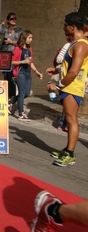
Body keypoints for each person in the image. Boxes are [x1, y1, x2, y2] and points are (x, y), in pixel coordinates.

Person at [46, 12, 88, 167]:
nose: (64, 28)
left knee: (71, 120)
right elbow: (68, 67)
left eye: (65, 25)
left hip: (72, 87)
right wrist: (56, 71)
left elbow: (74, 71)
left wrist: (58, 85)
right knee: (70, 120)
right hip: (69, 86)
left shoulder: (82, 45)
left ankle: (70, 154)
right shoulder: (75, 44)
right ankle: (67, 149)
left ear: (73, 27)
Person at [9, 30, 43, 121]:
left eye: (31, 38)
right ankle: (21, 113)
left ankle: (11, 101)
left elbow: (30, 62)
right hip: (20, 73)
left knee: (27, 93)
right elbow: (12, 61)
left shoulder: (29, 49)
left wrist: (37, 72)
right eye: (29, 38)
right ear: (24, 38)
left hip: (28, 72)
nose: (31, 40)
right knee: (21, 93)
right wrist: (22, 61)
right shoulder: (18, 49)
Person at [0, 12, 23, 113]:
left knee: (11, 76)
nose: (14, 20)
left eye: (15, 19)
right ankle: (6, 97)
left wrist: (11, 42)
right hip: (5, 55)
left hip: (14, 55)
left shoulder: (19, 30)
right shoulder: (6, 29)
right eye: (11, 19)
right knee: (6, 75)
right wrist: (3, 22)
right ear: (8, 20)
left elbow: (21, 42)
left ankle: (11, 98)